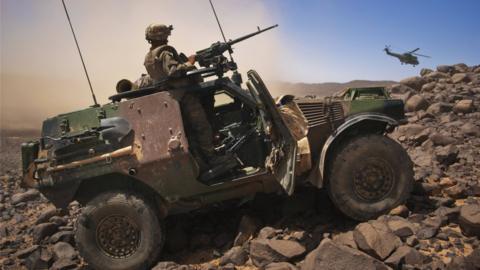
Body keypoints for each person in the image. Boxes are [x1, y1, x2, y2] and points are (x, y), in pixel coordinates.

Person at [143, 23, 236, 175]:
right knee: (202, 126)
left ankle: (203, 159)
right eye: (166, 34)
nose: (167, 37)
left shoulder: (149, 56)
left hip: (171, 98)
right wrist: (189, 62)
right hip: (184, 95)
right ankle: (212, 159)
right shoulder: (165, 51)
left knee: (192, 130)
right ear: (161, 36)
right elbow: (173, 72)